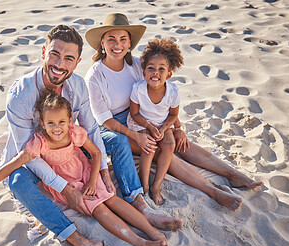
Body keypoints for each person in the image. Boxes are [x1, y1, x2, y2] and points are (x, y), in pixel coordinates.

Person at [85, 13, 263, 213]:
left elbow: (159, 98)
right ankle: (212, 191)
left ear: (129, 43)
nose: (117, 45)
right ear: (102, 43)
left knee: (180, 142)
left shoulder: (136, 65)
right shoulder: (94, 76)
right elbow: (104, 120)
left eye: (122, 39)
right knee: (162, 151)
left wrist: (178, 126)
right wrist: (136, 136)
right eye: (111, 39)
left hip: (146, 115)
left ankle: (232, 174)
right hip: (118, 126)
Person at [0, 90, 169, 246]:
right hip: (68, 184)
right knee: (100, 209)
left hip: (86, 172)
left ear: (70, 120)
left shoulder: (74, 133)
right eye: (50, 123)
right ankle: (141, 243)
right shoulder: (38, 143)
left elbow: (96, 153)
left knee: (112, 200)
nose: (57, 128)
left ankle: (152, 232)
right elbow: (8, 167)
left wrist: (94, 178)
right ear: (42, 123)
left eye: (61, 122)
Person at [127, 38, 183, 205]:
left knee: (169, 144)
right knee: (149, 146)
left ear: (169, 74)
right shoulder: (138, 89)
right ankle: (144, 185)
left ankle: (156, 185)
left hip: (163, 124)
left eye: (161, 69)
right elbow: (134, 113)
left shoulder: (173, 92)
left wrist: (165, 127)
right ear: (144, 72)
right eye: (151, 68)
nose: (155, 73)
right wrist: (149, 126)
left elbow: (173, 115)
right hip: (141, 123)